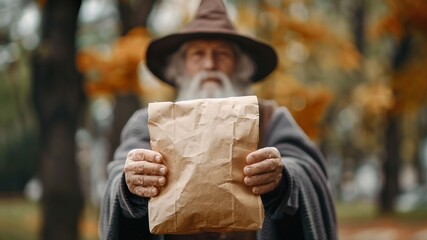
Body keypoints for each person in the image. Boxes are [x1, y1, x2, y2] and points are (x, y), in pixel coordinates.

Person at [100, 0, 337, 239]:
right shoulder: (148, 123)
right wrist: (131, 185)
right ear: (180, 67)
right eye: (197, 54)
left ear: (240, 66)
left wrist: (283, 181)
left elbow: (308, 170)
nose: (210, 64)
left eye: (221, 54)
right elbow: (118, 176)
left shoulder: (270, 118)